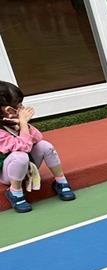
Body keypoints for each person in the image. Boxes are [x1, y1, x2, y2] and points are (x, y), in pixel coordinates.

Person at [1, 80, 75, 213]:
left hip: (24, 165)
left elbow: (38, 138)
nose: (23, 108)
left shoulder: (12, 122)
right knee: (20, 156)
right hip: (6, 173)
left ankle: (61, 181)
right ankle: (15, 192)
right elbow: (23, 147)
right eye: (19, 105)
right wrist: (23, 124)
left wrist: (23, 125)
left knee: (45, 146)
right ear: (8, 110)